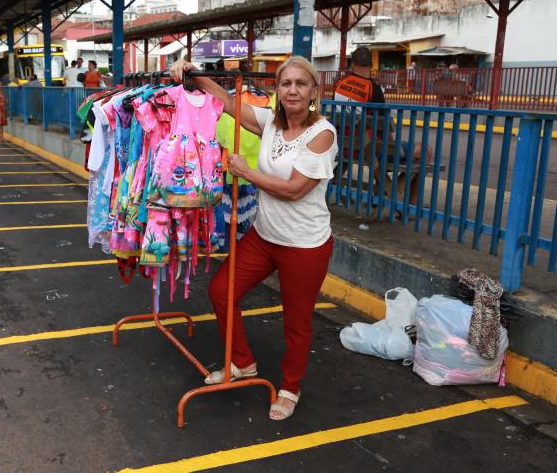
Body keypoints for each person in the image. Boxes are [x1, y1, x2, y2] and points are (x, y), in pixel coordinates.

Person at [170, 56, 337, 421]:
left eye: (300, 83)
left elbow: (294, 190)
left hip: (304, 245)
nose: (292, 90)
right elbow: (230, 104)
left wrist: (246, 171)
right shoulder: (272, 124)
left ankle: (291, 387)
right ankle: (243, 364)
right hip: (265, 236)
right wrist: (195, 74)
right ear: (277, 90)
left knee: (296, 322)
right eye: (285, 83)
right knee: (221, 291)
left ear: (313, 91)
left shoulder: (322, 133)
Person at [333, 47, 428, 209]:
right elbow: (384, 128)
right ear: (371, 65)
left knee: (369, 143)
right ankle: (412, 203)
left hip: (344, 147)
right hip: (369, 151)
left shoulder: (339, 85)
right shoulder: (374, 90)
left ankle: (382, 192)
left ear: (352, 64)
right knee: (425, 150)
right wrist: (393, 148)